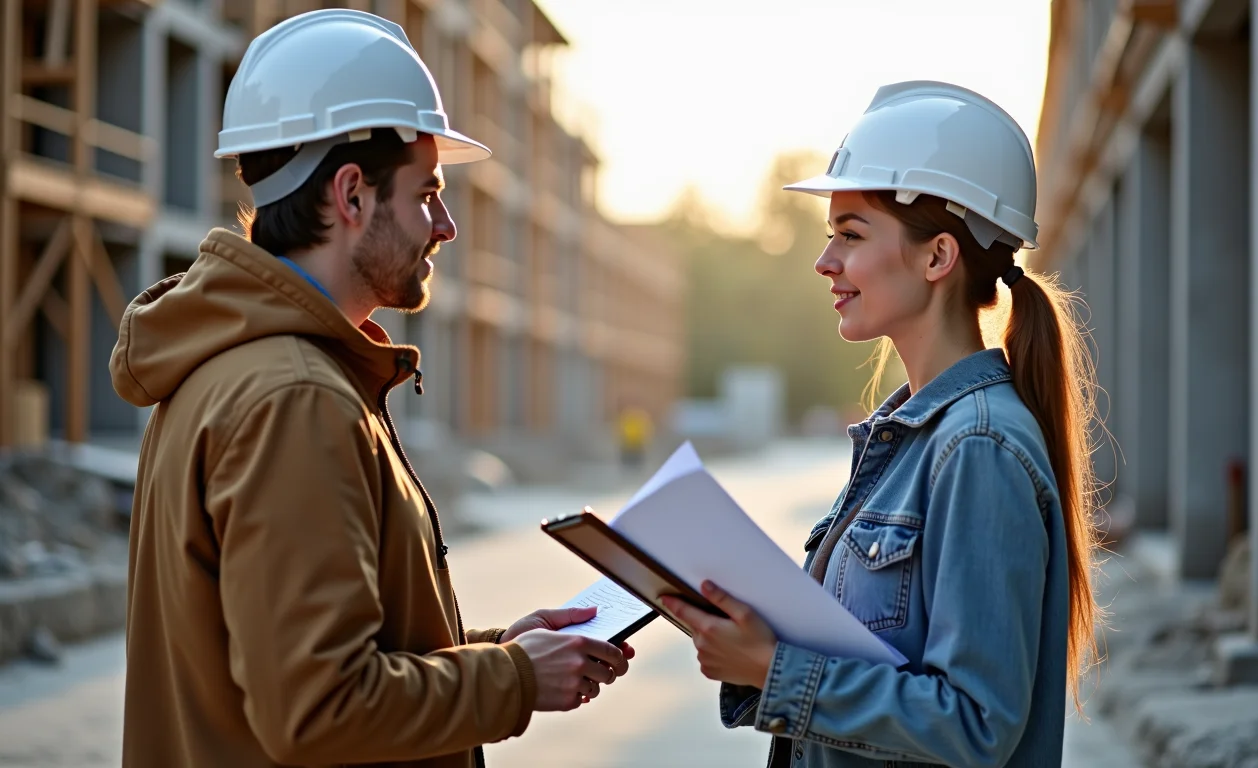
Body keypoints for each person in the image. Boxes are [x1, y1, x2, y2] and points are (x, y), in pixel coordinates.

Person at [109, 10, 631, 768]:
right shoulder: (294, 398)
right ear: (351, 195)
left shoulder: (234, 367)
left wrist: (496, 653)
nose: (446, 226)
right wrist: (513, 680)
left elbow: (295, 657)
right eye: (426, 195)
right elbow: (318, 708)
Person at [659, 81, 1102, 767]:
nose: (824, 262)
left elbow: (976, 724)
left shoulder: (977, 447)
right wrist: (754, 639)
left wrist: (775, 669)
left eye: (851, 234)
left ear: (937, 257)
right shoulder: (913, 440)